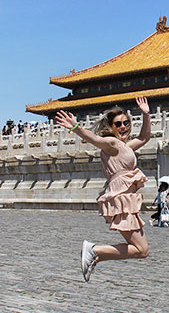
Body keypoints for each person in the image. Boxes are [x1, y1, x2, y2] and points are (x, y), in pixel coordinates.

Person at [55, 96, 152, 282]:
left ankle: (96, 255)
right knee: (141, 249)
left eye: (126, 123)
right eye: (118, 124)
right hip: (122, 200)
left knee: (142, 251)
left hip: (127, 200)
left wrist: (146, 114)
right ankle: (94, 249)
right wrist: (76, 128)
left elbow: (144, 137)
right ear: (111, 126)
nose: (123, 126)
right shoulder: (112, 144)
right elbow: (94, 139)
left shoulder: (124, 146)